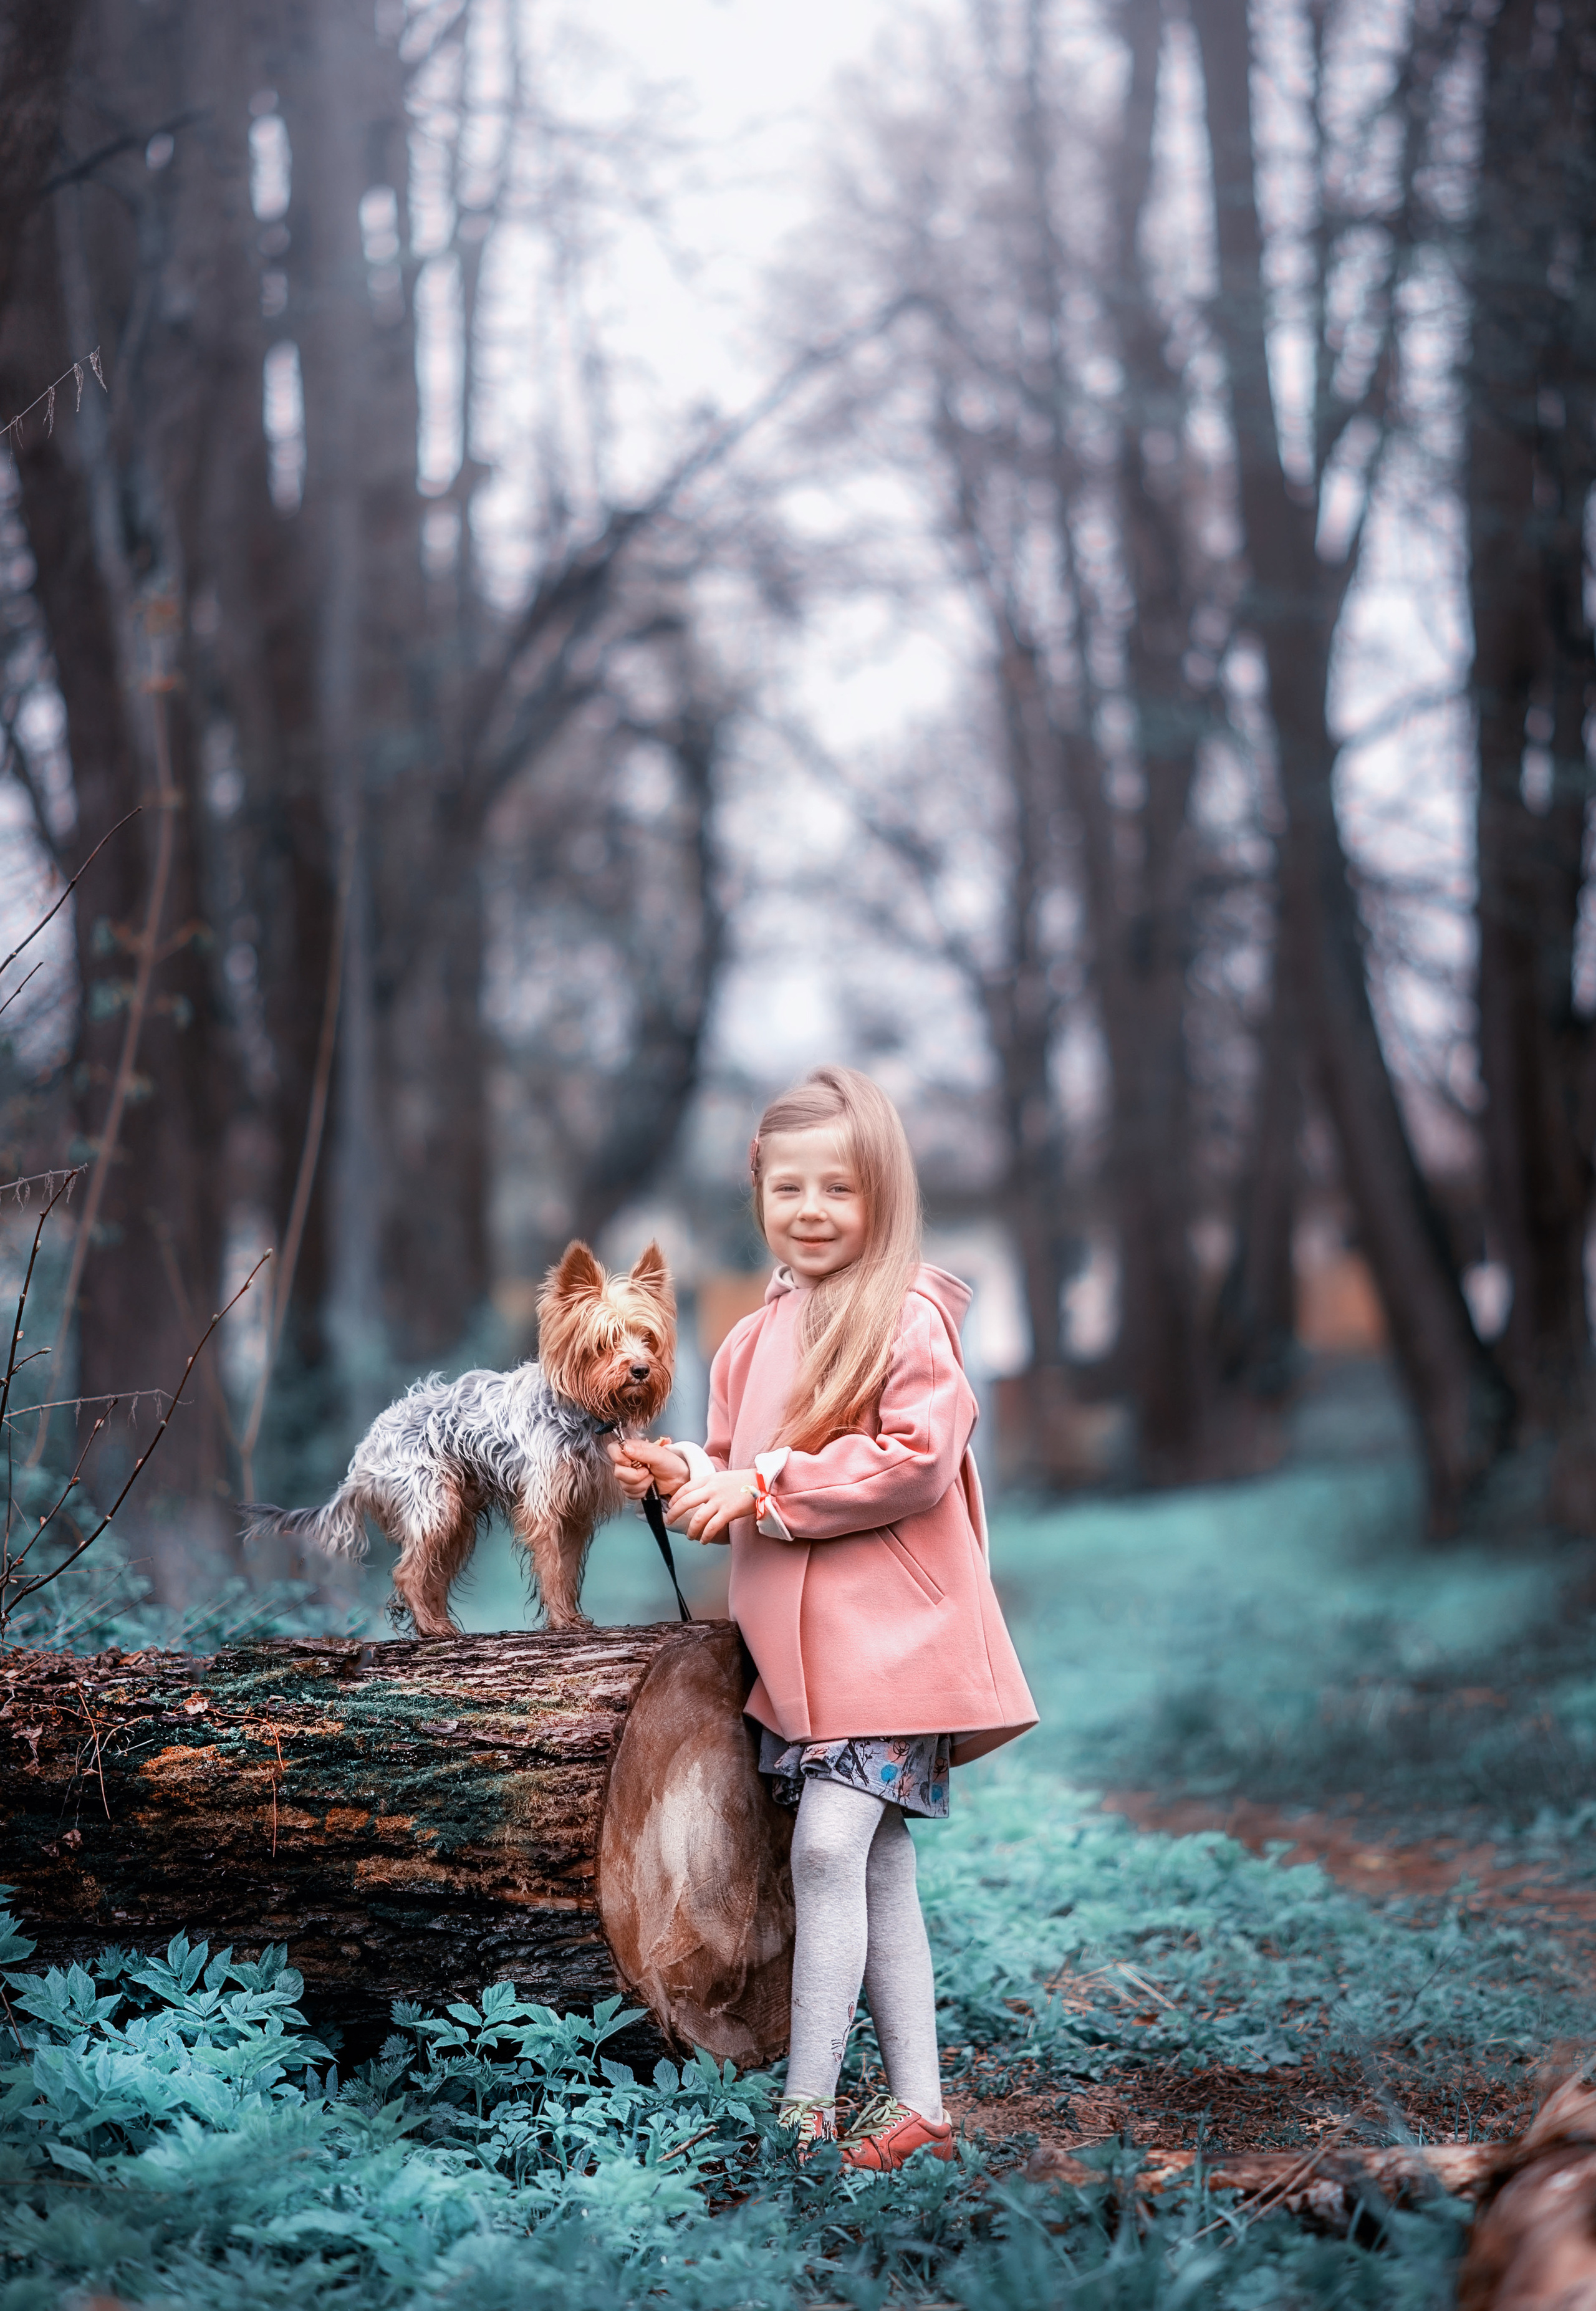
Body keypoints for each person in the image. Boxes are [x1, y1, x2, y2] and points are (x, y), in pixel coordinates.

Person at [609, 1065, 1037, 2169]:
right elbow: (738, 1478)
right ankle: (922, 2107)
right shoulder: (753, 1337)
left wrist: (763, 1487)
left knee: (831, 1847)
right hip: (805, 1662)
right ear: (757, 1191)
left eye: (837, 1190)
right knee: (879, 1864)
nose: (809, 1212)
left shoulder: (905, 1320)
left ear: (881, 1198)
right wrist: (686, 1474)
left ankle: (805, 2111)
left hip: (892, 1641)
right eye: (787, 1188)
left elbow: (914, 1462)